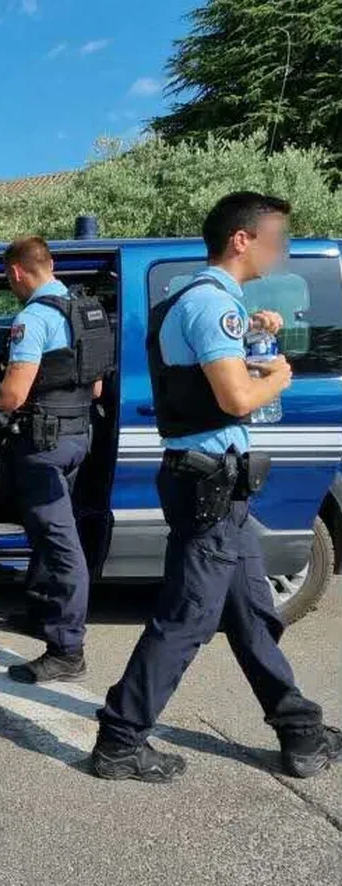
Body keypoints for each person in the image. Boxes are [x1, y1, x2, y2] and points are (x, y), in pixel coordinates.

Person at [92, 192, 341, 782]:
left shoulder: (206, 303)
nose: (281, 251)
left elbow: (212, 382)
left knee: (253, 614)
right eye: (277, 238)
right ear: (242, 239)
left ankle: (299, 731)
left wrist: (256, 340)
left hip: (216, 488)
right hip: (208, 486)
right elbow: (235, 399)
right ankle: (120, 739)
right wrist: (278, 375)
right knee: (187, 618)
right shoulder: (210, 307)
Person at [0, 237, 106, 684]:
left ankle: (67, 649)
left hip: (43, 446)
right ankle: (42, 613)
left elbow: (11, 396)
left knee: (62, 546)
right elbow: (95, 389)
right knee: (48, 532)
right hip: (78, 437)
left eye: (9, 279)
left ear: (17, 273)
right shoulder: (84, 313)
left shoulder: (33, 319)